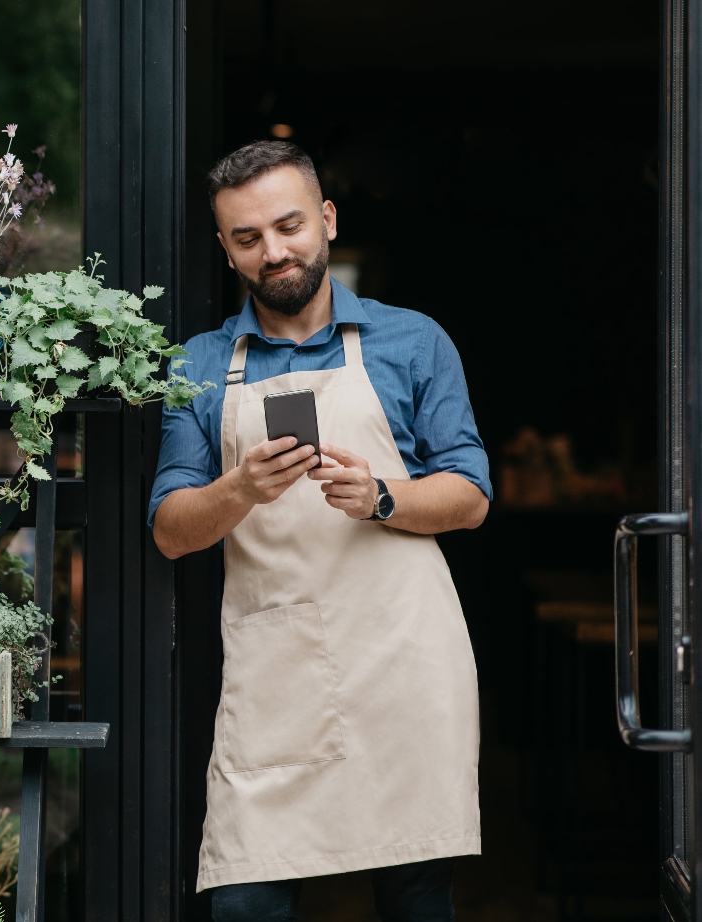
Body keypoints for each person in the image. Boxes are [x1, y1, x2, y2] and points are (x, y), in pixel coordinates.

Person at [150, 140, 491, 922]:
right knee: (243, 905)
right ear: (226, 250)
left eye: (289, 225)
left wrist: (379, 496)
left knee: (415, 899)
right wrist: (237, 490)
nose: (273, 252)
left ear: (327, 221)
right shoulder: (199, 365)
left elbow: (470, 495)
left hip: (404, 667)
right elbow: (171, 530)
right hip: (277, 674)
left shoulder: (415, 341)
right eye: (247, 238)